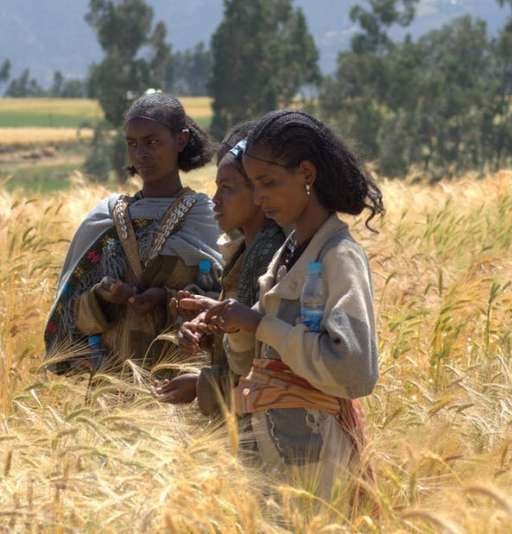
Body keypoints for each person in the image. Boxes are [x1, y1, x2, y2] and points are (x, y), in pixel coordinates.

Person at [183, 110, 383, 499]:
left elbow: (355, 372)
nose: (259, 197)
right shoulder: (286, 256)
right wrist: (236, 328)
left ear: (306, 174)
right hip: (271, 467)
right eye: (254, 184)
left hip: (317, 472)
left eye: (268, 183)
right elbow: (251, 365)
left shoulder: (338, 256)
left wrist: (260, 325)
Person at [44, 92, 222, 374]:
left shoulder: (204, 216)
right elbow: (71, 314)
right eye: (132, 144)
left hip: (182, 381)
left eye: (152, 142)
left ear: (181, 140)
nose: (141, 154)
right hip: (113, 381)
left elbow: (227, 302)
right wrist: (103, 297)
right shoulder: (106, 218)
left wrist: (164, 298)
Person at [154, 121, 285, 414]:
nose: (214, 201)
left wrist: (200, 384)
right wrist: (210, 327)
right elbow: (247, 335)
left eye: (226, 188)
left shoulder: (268, 258)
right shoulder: (245, 251)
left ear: (259, 191)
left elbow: (267, 367)